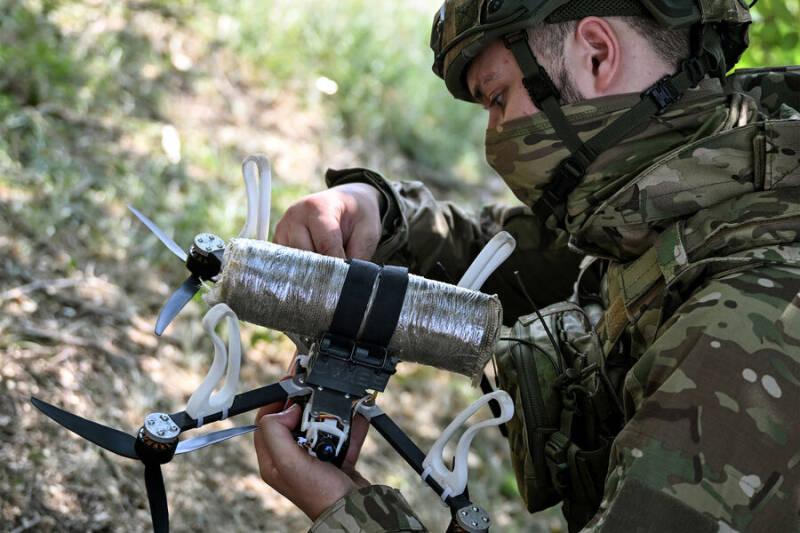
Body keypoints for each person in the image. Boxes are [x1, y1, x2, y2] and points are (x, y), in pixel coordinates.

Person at [253, 1, 800, 531]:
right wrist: (378, 210)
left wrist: (347, 512)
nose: (494, 138)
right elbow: (527, 255)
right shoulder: (712, 190)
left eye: (497, 97)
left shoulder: (751, 325)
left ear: (596, 54)